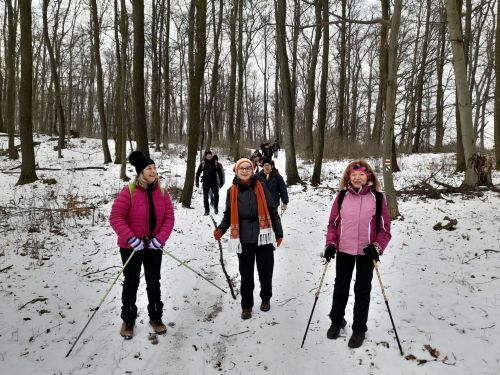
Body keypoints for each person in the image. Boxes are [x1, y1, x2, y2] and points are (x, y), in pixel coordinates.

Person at [323, 159, 391, 349]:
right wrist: (330, 244)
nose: (357, 178)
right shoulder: (342, 197)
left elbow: (385, 229)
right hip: (344, 249)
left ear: (368, 176)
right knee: (340, 287)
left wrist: (377, 246)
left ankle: (359, 328)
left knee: (362, 290)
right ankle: (336, 321)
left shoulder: (377, 198)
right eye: (354, 174)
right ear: (348, 177)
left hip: (366, 252)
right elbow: (332, 224)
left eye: (361, 174)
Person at [110, 151, 175, 339]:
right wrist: (131, 239)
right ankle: (128, 320)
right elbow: (116, 217)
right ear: (140, 172)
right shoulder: (129, 191)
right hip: (132, 247)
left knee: (154, 281)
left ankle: (156, 317)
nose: (153, 171)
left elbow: (169, 219)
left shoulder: (162, 193)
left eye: (154, 167)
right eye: (149, 168)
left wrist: (159, 239)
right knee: (131, 282)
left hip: (154, 246)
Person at [213, 158, 283, 320]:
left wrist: (278, 233)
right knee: (246, 275)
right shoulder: (232, 191)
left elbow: (272, 210)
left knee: (266, 271)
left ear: (252, 170)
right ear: (236, 171)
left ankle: (266, 298)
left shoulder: (261, 186)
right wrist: (221, 229)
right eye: (241, 168)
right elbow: (228, 214)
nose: (244, 171)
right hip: (243, 239)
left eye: (248, 168)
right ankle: (246, 305)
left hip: (263, 236)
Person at [196, 150, 224, 215]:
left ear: (211, 155)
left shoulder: (215, 163)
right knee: (205, 197)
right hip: (205, 183)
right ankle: (207, 211)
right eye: (207, 155)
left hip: (214, 183)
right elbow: (198, 173)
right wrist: (197, 181)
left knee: (216, 196)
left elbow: (220, 173)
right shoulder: (203, 163)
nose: (209, 155)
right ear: (205, 156)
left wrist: (221, 182)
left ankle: (216, 207)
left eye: (210, 154)